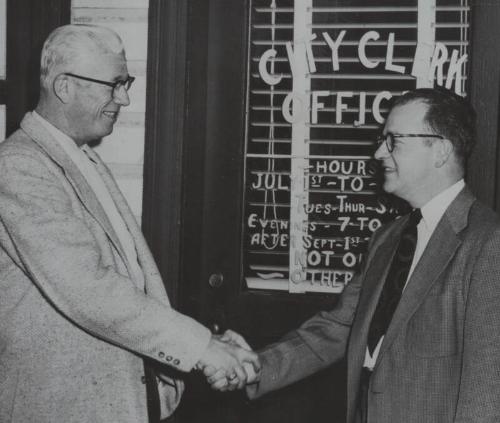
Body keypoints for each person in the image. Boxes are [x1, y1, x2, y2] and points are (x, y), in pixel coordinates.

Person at [0, 24, 259, 423]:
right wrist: (202, 347)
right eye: (114, 84)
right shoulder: (18, 167)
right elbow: (88, 288)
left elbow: (130, 283)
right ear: (65, 86)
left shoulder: (80, 157)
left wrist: (208, 343)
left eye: (126, 83)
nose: (124, 98)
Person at [208, 88, 500, 422]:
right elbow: (338, 327)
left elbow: (488, 388)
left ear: (441, 151)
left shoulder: (488, 244)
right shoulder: (388, 237)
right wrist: (255, 366)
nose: (379, 152)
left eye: (394, 141)